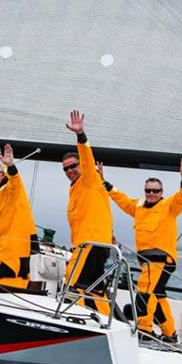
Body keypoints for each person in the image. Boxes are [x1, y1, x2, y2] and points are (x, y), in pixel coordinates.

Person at [100, 159, 182, 342]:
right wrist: (104, 182)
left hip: (161, 259)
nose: (151, 193)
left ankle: (145, 331)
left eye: (155, 191)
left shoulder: (169, 206)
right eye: (148, 190)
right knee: (157, 295)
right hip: (146, 261)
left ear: (161, 192)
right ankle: (169, 333)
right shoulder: (139, 207)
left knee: (144, 292)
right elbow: (122, 199)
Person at [62, 110, 113, 315]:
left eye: (73, 166)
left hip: (90, 244)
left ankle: (74, 319)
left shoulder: (89, 178)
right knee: (94, 289)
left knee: (72, 283)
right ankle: (109, 321)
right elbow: (102, 209)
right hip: (95, 243)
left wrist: (80, 135)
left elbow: (86, 156)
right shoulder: (76, 188)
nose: (70, 170)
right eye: (65, 169)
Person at [0, 144, 37, 288]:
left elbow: (15, 182)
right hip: (1, 251)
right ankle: (24, 282)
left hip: (13, 252)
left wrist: (11, 165)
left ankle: (25, 285)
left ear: (2, 174)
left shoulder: (9, 189)